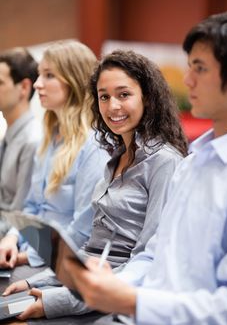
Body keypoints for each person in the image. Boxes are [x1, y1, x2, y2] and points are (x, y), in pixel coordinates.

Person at [60, 11, 227, 325]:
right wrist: (111, 287)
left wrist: (132, 300)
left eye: (200, 68)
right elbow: (154, 254)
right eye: (104, 97)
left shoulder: (170, 162)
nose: (188, 80)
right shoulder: (194, 164)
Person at [3, 49, 188, 320]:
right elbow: (91, 249)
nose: (112, 106)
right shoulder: (115, 156)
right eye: (104, 97)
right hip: (85, 284)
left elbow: (145, 261)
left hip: (115, 295)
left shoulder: (164, 162)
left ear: (147, 97)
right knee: (11, 300)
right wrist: (40, 283)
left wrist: (57, 300)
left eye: (123, 95)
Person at [0, 39, 109, 269]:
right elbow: (31, 207)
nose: (38, 84)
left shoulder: (94, 144)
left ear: (74, 80)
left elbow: (83, 228)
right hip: (32, 253)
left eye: (49, 75)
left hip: (60, 264)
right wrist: (11, 239)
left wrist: (29, 257)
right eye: (40, 75)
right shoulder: (50, 138)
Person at [0, 47, 41, 237]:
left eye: (0, 83)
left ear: (24, 87)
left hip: (12, 239)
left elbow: (20, 215)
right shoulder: (8, 136)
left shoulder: (33, 140)